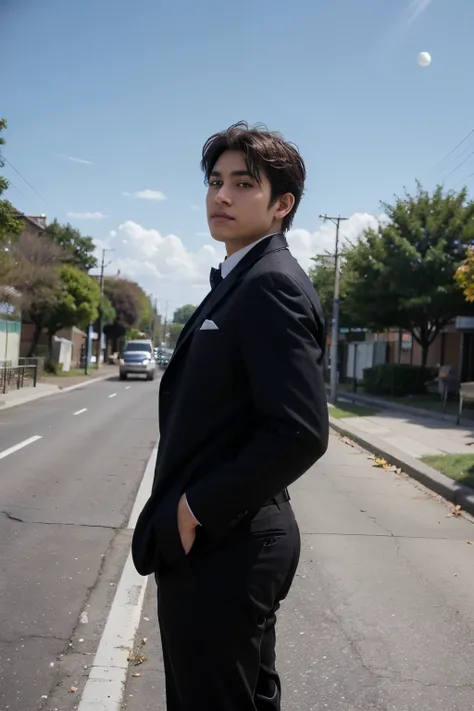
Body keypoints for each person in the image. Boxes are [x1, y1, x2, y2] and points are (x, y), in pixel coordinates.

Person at [132, 121, 329, 710]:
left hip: (228, 543)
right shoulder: (240, 277)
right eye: (215, 181)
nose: (221, 195)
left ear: (281, 205)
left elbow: (299, 431)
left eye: (244, 184)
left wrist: (194, 511)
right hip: (229, 540)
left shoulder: (271, 284)